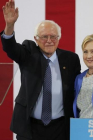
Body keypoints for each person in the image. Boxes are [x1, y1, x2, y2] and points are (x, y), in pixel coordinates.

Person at [1, 0, 81, 140]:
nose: (49, 40)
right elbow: (10, 48)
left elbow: (76, 89)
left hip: (61, 128)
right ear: (36, 39)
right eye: (44, 37)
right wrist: (9, 26)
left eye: (53, 36)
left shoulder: (71, 59)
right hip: (30, 127)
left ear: (59, 38)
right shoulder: (29, 53)